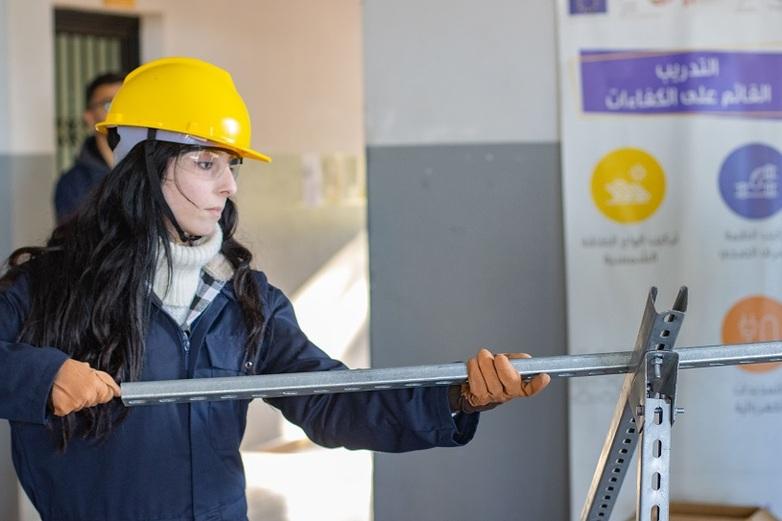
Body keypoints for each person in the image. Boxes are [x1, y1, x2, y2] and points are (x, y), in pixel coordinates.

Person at [0, 57, 551, 521]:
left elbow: (332, 400)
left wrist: (456, 398)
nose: (230, 184)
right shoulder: (48, 288)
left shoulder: (242, 300)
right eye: (206, 162)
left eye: (231, 164)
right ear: (143, 166)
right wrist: (41, 375)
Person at [54, 72, 125, 224]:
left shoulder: (154, 167)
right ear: (89, 116)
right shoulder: (73, 183)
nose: (119, 111)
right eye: (109, 104)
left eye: (125, 102)